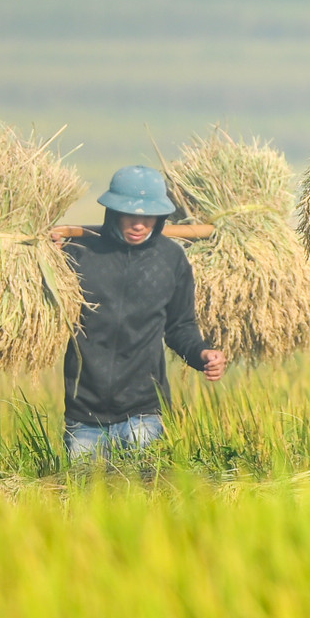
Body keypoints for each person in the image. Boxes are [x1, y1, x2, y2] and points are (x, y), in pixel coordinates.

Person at [61, 165, 227, 460]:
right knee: (81, 502)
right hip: (84, 416)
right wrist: (47, 251)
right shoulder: (78, 254)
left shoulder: (171, 259)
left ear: (160, 217)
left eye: (148, 216)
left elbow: (180, 327)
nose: (139, 225)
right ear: (113, 212)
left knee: (148, 499)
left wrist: (203, 355)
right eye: (131, 215)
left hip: (144, 416)